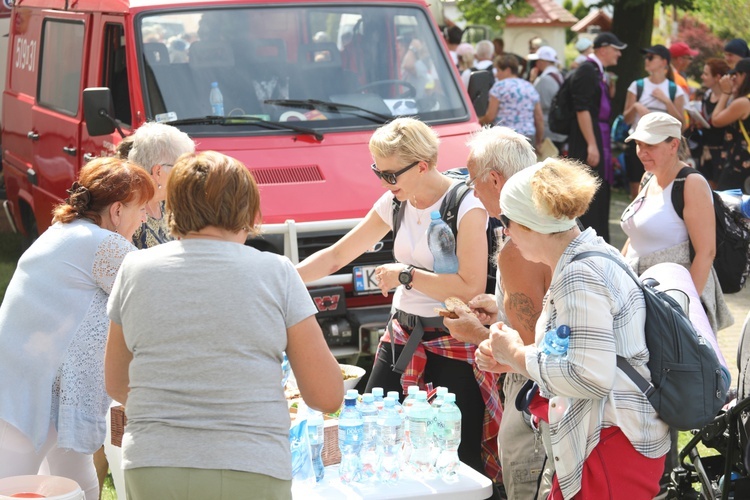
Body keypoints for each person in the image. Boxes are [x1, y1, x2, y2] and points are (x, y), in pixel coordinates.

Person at [105, 151, 344, 500]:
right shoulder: (277, 272)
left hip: (154, 462)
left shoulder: (135, 269)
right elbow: (326, 395)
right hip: (252, 464)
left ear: (174, 207)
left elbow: (116, 382)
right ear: (247, 210)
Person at [295, 117, 503, 485]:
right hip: (402, 337)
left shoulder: (466, 205)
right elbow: (336, 256)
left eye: (390, 175)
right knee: (378, 442)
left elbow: (469, 289)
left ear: (422, 166)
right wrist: (280, 278)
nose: (384, 183)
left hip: (450, 342)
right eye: (378, 172)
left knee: (457, 458)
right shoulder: (395, 201)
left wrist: (405, 275)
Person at [476, 158, 670, 499]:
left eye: (507, 221)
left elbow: (589, 374)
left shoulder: (578, 275)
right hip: (609, 442)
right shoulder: (591, 253)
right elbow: (583, 353)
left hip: (608, 446)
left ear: (532, 224)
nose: (505, 231)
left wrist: (518, 354)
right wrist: (514, 361)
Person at [0, 158, 154, 500]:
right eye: (141, 208)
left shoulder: (66, 230)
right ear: (117, 211)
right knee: (14, 487)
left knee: (78, 482)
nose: (144, 218)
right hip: (28, 391)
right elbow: (154, 299)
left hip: (36, 382)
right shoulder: (105, 245)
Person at [619, 111, 733, 493]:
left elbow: (706, 252)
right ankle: (653, 474)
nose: (641, 151)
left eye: (650, 144)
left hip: (678, 300)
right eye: (637, 143)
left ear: (673, 144)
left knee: (669, 388)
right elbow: (635, 237)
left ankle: (669, 479)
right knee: (644, 386)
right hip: (644, 293)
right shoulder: (650, 179)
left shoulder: (691, 182)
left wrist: (684, 315)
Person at [442, 126, 553, 499]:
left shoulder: (518, 245)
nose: (471, 191)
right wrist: (501, 306)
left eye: (473, 181)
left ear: (494, 179)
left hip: (537, 407)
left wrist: (475, 332)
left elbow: (532, 348)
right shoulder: (553, 220)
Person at [567, 32, 627, 243]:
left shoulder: (595, 71)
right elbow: (582, 109)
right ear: (603, 49)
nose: (619, 54)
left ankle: (598, 241)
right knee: (590, 194)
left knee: (598, 192)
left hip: (596, 135)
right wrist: (592, 145)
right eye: (616, 49)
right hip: (588, 140)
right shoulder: (588, 70)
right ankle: (588, 242)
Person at [622, 44, 686, 198]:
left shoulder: (674, 90)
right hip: (638, 142)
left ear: (664, 62)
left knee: (663, 187)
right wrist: (636, 106)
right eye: (646, 57)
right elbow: (627, 119)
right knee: (636, 188)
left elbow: (681, 125)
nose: (646, 60)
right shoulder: (637, 86)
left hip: (664, 144)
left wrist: (667, 102)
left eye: (651, 57)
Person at [126, 121, 195, 249]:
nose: (188, 175)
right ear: (158, 172)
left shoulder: (168, 203)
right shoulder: (127, 211)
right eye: (183, 168)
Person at [479, 54, 544, 153]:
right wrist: (539, 141)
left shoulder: (499, 87)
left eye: (499, 70)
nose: (496, 74)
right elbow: (539, 118)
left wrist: (479, 121)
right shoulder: (529, 87)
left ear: (508, 70)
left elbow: (490, 116)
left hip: (506, 138)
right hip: (528, 138)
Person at [709, 57, 750, 193]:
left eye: (735, 76)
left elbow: (716, 120)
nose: (733, 79)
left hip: (740, 166)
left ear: (744, 75)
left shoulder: (744, 103)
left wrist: (725, 93)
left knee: (727, 208)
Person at [697, 58, 731, 188]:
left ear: (717, 77)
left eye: (706, 74)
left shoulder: (729, 98)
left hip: (722, 151)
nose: (702, 77)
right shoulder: (707, 94)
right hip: (705, 150)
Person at [530, 46, 567, 152]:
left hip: (548, 130)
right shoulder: (559, 75)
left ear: (542, 62)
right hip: (558, 129)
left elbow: (538, 107)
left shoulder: (544, 80)